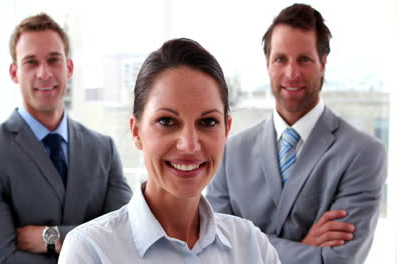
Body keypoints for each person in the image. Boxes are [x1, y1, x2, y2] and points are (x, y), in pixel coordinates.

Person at [58, 38, 281, 263]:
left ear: (226, 131)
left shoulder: (253, 247)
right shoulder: (90, 251)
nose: (189, 145)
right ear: (136, 132)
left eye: (208, 122)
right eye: (167, 121)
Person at [206, 3, 387, 264]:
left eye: (304, 59)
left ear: (323, 63)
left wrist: (251, 247)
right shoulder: (230, 152)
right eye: (281, 59)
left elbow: (340, 260)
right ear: (268, 64)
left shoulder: (364, 153)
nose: (291, 73)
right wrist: (307, 247)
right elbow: (215, 250)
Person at [0, 13, 132, 263]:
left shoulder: (103, 149)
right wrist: (88, 246)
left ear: (69, 67)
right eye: (31, 62)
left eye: (54, 60)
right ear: (14, 72)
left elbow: (124, 239)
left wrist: (49, 237)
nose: (44, 73)